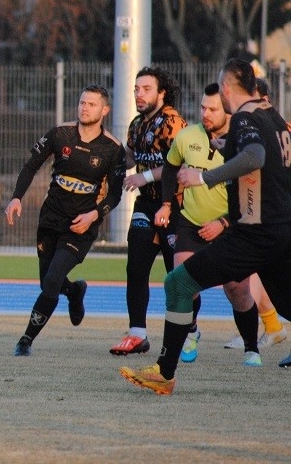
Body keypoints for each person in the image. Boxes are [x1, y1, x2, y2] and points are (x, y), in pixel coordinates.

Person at [121, 59, 291, 395]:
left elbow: (255, 157)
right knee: (286, 303)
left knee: (178, 284)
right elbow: (268, 161)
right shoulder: (273, 116)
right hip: (282, 228)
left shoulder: (243, 117)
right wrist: (230, 152)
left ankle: (164, 373)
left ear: (226, 88)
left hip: (253, 233)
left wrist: (204, 177)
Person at [4, 85, 127, 356]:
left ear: (104, 110)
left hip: (80, 226)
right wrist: (16, 198)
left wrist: (94, 215)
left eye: (92, 104)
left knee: (51, 281)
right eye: (82, 102)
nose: (85, 108)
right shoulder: (60, 134)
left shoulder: (112, 149)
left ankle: (25, 340)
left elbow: (115, 195)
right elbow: (31, 166)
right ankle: (74, 291)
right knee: (48, 283)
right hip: (50, 219)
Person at [154, 83, 259, 365]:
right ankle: (190, 332)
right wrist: (166, 204)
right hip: (191, 224)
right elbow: (170, 168)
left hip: (232, 228)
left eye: (212, 109)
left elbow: (252, 193)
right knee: (183, 282)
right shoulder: (187, 136)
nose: (205, 113)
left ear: (227, 110)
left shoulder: (244, 143)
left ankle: (252, 348)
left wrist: (223, 222)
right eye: (202, 107)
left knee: (237, 290)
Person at [110, 67, 186, 356]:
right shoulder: (137, 124)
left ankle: (190, 329)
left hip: (174, 205)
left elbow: (177, 164)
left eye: (146, 89)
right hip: (146, 204)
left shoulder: (173, 123)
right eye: (136, 89)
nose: (139, 94)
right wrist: (109, 162)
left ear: (161, 93)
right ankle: (137, 334)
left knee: (176, 275)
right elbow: (131, 156)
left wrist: (145, 176)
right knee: (136, 268)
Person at [221, 77, 288, 350]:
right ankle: (268, 329)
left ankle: (262, 331)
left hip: (273, 221)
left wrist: (205, 178)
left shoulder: (267, 126)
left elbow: (260, 161)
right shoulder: (274, 127)